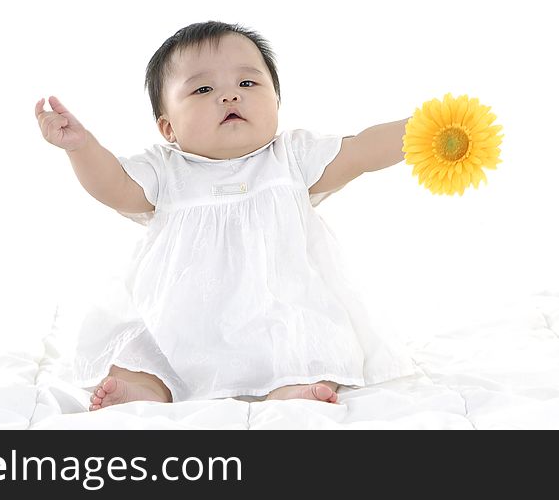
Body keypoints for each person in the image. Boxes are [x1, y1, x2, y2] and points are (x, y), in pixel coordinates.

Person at [35, 21, 416, 411]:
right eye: (203, 89)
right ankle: (146, 387)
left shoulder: (293, 158)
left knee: (307, 343)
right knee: (143, 350)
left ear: (277, 104)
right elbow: (113, 185)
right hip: (180, 323)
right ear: (168, 127)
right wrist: (81, 148)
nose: (230, 96)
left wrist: (421, 130)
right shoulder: (166, 171)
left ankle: (292, 387)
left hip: (278, 313)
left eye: (248, 84)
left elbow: (362, 151)